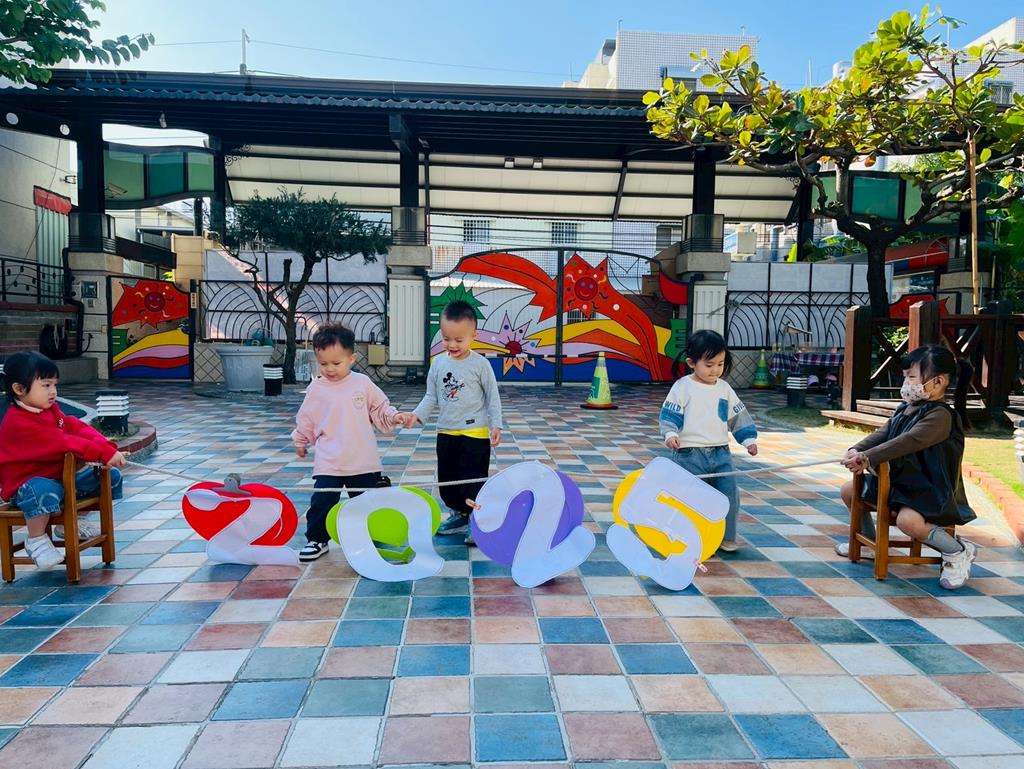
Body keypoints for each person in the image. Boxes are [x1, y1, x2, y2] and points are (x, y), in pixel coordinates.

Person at [837, 344, 977, 590]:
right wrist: (856, 450)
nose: (906, 384)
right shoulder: (906, 408)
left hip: (928, 490)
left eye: (911, 377)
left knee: (908, 522)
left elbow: (908, 441)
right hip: (901, 484)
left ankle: (957, 551)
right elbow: (883, 433)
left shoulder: (941, 416)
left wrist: (868, 458)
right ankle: (868, 541)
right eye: (905, 377)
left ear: (938, 382)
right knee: (849, 490)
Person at [0, 351, 126, 569]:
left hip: (58, 479)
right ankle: (36, 539)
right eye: (46, 385)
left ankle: (74, 520)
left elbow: (73, 426)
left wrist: (104, 446)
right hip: (26, 485)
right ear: (19, 389)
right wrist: (101, 452)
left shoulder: (49, 410)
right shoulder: (18, 422)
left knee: (110, 476)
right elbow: (63, 441)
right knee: (42, 489)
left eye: (54, 385)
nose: (53, 391)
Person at [395, 300, 502, 541]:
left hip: (474, 433)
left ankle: (476, 520)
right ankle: (460, 515)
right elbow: (431, 396)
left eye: (459, 340)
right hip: (446, 432)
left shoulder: (481, 365)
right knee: (448, 481)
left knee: (472, 480)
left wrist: (496, 424)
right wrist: (416, 415)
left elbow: (492, 397)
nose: (452, 345)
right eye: (446, 339)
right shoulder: (438, 364)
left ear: (473, 336)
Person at [292, 323, 398, 561]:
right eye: (323, 363)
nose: (329, 369)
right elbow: (306, 418)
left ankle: (372, 536)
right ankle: (317, 539)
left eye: (336, 363)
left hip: (362, 459)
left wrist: (394, 416)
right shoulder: (317, 388)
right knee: (322, 501)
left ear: (352, 358)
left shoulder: (362, 383)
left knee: (365, 503)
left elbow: (380, 407)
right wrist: (300, 440)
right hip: (329, 460)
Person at [659, 330, 757, 553]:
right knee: (692, 499)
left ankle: (726, 537)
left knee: (728, 495)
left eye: (720, 364)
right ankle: (695, 539)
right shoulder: (683, 387)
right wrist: (670, 434)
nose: (716, 370)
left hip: (721, 453)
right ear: (692, 363)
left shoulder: (724, 389)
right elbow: (669, 415)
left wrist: (748, 440)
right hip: (689, 455)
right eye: (709, 365)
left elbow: (737, 416)